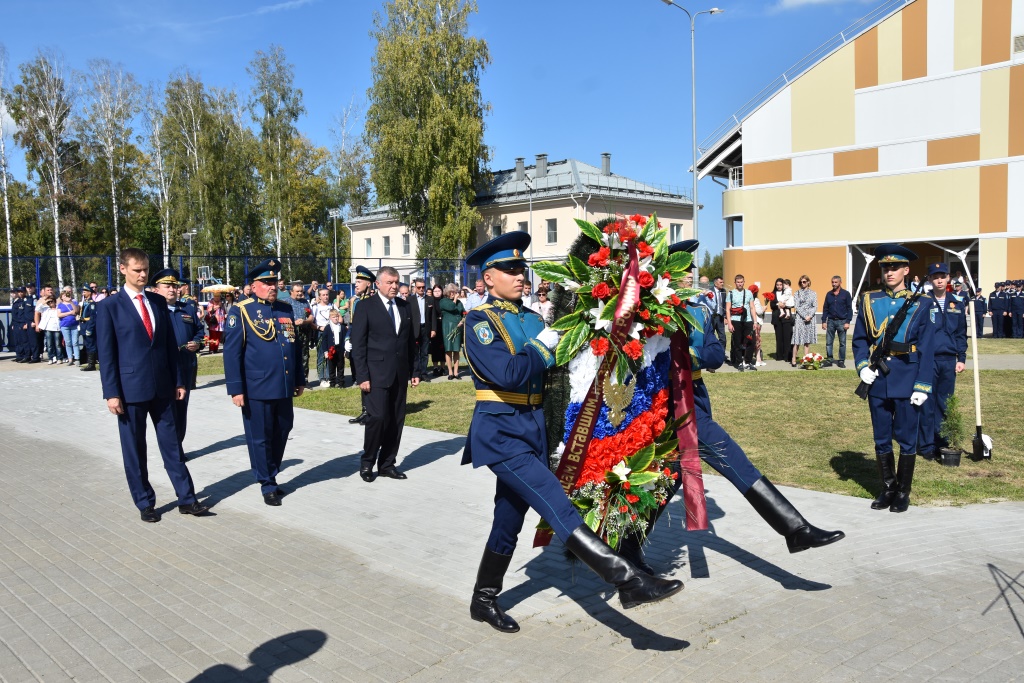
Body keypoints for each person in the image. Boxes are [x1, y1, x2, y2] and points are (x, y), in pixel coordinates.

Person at [462, 232, 683, 634]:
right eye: (509, 269)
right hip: (500, 432)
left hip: (533, 429)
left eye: (521, 268)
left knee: (507, 521)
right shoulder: (480, 321)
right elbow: (508, 373)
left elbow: (556, 378)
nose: (519, 275)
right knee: (557, 505)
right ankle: (628, 581)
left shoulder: (530, 317)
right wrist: (544, 347)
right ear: (488, 277)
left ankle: (483, 599)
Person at [618, 240, 844, 574]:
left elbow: (713, 353)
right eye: (679, 271)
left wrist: (686, 358)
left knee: (670, 477)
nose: (686, 276)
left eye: (688, 270)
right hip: (664, 404)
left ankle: (626, 552)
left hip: (693, 396)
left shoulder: (699, 309)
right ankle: (795, 528)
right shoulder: (646, 314)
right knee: (730, 456)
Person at [96, 248, 210, 522]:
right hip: (130, 389)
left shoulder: (157, 303)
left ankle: (187, 498)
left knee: (172, 445)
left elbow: (169, 347)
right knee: (135, 450)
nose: (143, 274)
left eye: (146, 269)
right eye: (137, 270)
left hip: (163, 387)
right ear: (123, 269)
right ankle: (145, 503)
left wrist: (179, 380)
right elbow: (107, 354)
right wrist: (112, 394)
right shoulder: (109, 306)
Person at [853, 244, 935, 513]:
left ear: (906, 270)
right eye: (885, 267)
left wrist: (923, 384)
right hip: (878, 378)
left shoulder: (921, 303)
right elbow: (861, 339)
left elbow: (927, 347)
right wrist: (863, 366)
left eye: (895, 267)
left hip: (907, 376)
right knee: (881, 437)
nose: (889, 271)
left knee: (907, 438)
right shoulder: (869, 300)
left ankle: (903, 491)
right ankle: (888, 487)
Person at [223, 259, 306, 506]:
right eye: (267, 282)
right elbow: (232, 352)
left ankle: (270, 471)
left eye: (274, 282)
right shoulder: (242, 310)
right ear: (254, 285)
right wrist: (236, 388)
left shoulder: (284, 308)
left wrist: (300, 378)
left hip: (283, 384)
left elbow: (294, 345)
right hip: (256, 387)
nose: (273, 286)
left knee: (283, 429)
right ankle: (267, 482)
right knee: (260, 436)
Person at [349, 266, 420, 482]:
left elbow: (410, 342)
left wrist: (414, 370)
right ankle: (367, 462)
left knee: (396, 420)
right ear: (378, 284)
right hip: (375, 373)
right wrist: (362, 376)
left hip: (399, 372)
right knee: (377, 418)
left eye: (396, 282)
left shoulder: (404, 306)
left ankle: (388, 463)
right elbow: (358, 344)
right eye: (389, 282)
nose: (394, 286)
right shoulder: (366, 306)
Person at [151, 269, 204, 461]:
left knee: (181, 410)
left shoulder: (187, 309)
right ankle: (170, 450)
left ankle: (177, 447)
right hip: (163, 370)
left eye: (174, 286)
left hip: (185, 365)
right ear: (156, 290)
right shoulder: (154, 311)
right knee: (166, 411)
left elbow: (199, 331)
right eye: (167, 286)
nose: (172, 290)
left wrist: (197, 342)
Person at [917, 262, 967, 460]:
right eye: (935, 276)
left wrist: (961, 358)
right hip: (928, 360)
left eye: (942, 276)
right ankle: (927, 445)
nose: (939, 279)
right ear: (929, 279)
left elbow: (961, 333)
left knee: (944, 403)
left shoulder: (957, 303)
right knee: (926, 402)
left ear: (948, 279)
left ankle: (942, 442)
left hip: (948, 360)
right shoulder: (923, 302)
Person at [346, 266, 376, 421]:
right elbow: (353, 326)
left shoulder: (373, 302)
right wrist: (347, 340)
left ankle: (371, 410)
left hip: (371, 347)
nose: (356, 284)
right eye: (355, 282)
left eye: (359, 282)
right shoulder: (356, 302)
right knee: (361, 375)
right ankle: (365, 410)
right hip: (359, 345)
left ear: (368, 284)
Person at [821, 275, 853, 368]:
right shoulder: (829, 294)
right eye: (832, 282)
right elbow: (825, 308)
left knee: (842, 343)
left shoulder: (846, 294)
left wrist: (848, 321)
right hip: (831, 321)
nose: (834, 284)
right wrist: (824, 321)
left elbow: (849, 309)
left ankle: (841, 360)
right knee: (828, 342)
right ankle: (829, 360)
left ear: (840, 283)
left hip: (842, 322)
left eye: (836, 282)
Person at [726, 274, 755, 370]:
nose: (740, 284)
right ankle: (739, 362)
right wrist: (729, 323)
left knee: (751, 341)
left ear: (744, 282)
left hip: (748, 320)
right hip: (736, 320)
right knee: (737, 342)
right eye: (738, 282)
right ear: (735, 283)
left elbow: (752, 307)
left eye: (741, 282)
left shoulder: (749, 293)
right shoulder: (730, 293)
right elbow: (727, 309)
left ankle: (748, 362)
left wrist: (755, 321)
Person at [288, 284, 315, 382]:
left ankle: (304, 380)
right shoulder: (286, 302)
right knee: (291, 355)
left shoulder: (305, 302)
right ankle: (292, 380)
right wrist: (294, 323)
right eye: (297, 291)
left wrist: (305, 321)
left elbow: (311, 317)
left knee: (304, 355)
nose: (300, 293)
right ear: (291, 291)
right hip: (291, 332)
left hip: (304, 332)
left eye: (301, 291)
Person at [439, 283, 465, 379]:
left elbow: (463, 313)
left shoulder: (459, 302)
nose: (453, 293)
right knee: (448, 350)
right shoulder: (443, 301)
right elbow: (451, 307)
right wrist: (454, 300)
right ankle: (450, 372)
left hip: (458, 327)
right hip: (447, 327)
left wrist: (462, 321)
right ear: (447, 292)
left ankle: (456, 372)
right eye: (451, 292)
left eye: (454, 291)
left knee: (456, 350)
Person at [791, 275, 818, 367]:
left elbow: (815, 306)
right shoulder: (797, 293)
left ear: (808, 282)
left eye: (804, 282)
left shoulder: (813, 293)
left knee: (807, 340)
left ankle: (806, 359)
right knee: (797, 340)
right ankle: (793, 359)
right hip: (800, 318)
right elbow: (797, 306)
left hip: (810, 318)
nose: (803, 283)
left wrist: (809, 315)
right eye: (801, 282)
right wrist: (804, 315)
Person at [408, 278, 431, 380]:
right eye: (419, 287)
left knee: (424, 353)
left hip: (425, 328)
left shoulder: (430, 299)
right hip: (414, 329)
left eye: (423, 287)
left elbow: (433, 316)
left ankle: (424, 373)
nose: (421, 289)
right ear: (415, 288)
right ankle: (415, 373)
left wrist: (433, 329)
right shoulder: (410, 300)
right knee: (415, 353)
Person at [311, 287, 335, 385]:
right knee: (321, 355)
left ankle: (330, 376)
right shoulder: (316, 307)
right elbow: (311, 323)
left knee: (330, 355)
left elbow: (339, 318)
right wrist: (319, 327)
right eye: (323, 295)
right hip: (320, 333)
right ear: (319, 297)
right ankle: (322, 378)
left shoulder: (332, 306)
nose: (326, 297)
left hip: (331, 333)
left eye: (327, 294)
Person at [769, 278, 793, 362]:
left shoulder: (787, 292)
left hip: (786, 317)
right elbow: (772, 305)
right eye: (777, 285)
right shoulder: (772, 294)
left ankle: (787, 356)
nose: (779, 286)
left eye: (780, 285)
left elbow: (791, 303)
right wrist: (778, 306)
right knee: (779, 337)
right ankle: (779, 355)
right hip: (777, 317)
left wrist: (785, 305)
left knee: (787, 336)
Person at [321, 309, 346, 388]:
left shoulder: (341, 327)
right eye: (333, 317)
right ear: (330, 318)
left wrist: (345, 350)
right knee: (331, 366)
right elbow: (324, 340)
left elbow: (344, 339)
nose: (335, 318)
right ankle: (332, 382)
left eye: (337, 317)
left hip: (340, 349)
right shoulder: (328, 328)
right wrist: (325, 351)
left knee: (340, 366)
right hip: (331, 349)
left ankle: (341, 382)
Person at [56, 290, 80, 365]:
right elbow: (59, 315)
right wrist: (69, 313)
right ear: (61, 297)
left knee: (75, 342)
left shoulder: (74, 302)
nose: (66, 296)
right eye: (64, 295)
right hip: (64, 325)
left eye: (67, 295)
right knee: (68, 342)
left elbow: (76, 311)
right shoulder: (60, 305)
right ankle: (70, 359)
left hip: (74, 324)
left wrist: (71, 302)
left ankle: (77, 358)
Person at [78, 285, 98, 371]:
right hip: (83, 325)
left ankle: (92, 364)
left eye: (85, 291)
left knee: (91, 345)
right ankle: (89, 363)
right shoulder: (85, 302)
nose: (83, 293)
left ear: (90, 293)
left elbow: (93, 317)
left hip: (88, 326)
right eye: (83, 291)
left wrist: (89, 329)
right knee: (87, 345)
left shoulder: (92, 303)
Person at [38, 295, 64, 363]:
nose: (50, 303)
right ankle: (51, 358)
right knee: (49, 345)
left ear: (55, 302)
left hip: (57, 329)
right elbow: (37, 309)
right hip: (48, 328)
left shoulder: (58, 308)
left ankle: (59, 358)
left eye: (52, 302)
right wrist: (45, 302)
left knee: (58, 344)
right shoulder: (46, 309)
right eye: (49, 302)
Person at [428, 284, 446, 377]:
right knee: (434, 347)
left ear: (442, 292)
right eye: (435, 291)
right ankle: (435, 367)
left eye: (439, 291)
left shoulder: (444, 301)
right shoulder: (430, 301)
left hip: (443, 325)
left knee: (443, 347)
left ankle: (443, 367)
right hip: (434, 326)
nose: (437, 293)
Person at [11, 287, 33, 363]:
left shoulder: (26, 301)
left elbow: (25, 314)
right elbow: (15, 315)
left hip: (22, 323)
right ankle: (19, 355)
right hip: (17, 323)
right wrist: (14, 324)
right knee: (18, 340)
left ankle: (26, 356)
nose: (20, 293)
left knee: (25, 341)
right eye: (19, 292)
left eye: (22, 292)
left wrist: (25, 323)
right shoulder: (17, 301)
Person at [710, 276, 727, 345]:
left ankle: (721, 353)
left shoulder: (723, 291)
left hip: (720, 317)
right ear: (715, 283)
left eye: (723, 282)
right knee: (710, 336)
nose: (722, 284)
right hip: (712, 317)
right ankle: (711, 353)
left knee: (723, 338)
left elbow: (724, 304)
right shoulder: (710, 291)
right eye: (720, 282)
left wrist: (725, 316)